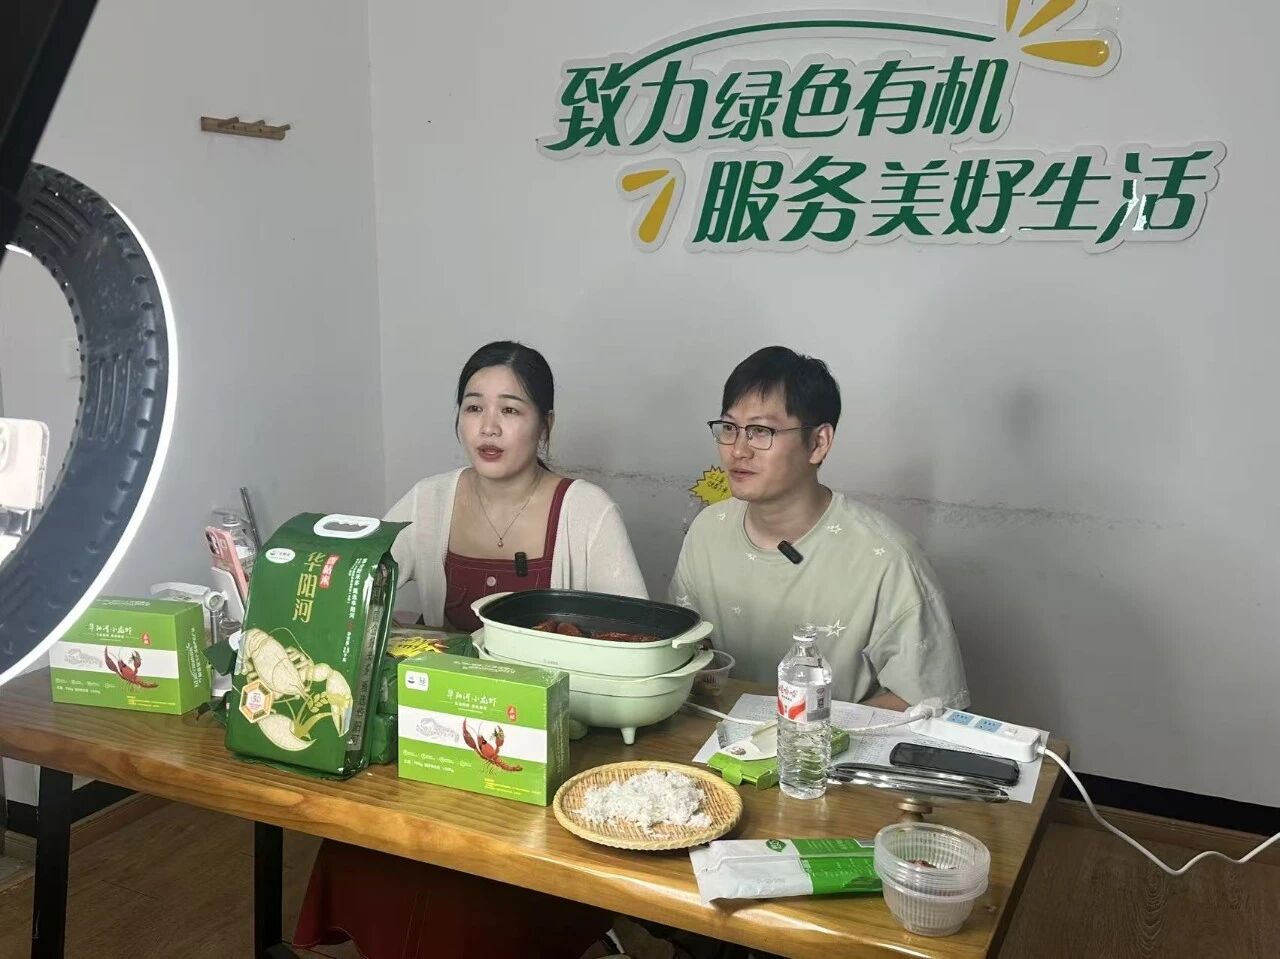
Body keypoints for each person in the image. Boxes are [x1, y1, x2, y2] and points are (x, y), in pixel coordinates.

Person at [294, 340, 647, 959]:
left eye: (511, 410)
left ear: (545, 425)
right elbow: (361, 580)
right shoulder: (429, 499)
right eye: (473, 407)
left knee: (468, 892)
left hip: (551, 745)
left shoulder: (586, 511)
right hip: (437, 730)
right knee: (370, 839)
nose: (488, 427)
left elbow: (635, 643)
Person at [669, 346, 968, 710]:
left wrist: (803, 731)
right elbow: (685, 652)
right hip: (715, 740)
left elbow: (929, 703)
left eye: (761, 431)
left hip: (826, 746)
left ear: (818, 443)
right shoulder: (707, 531)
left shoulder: (886, 559)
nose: (739, 450)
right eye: (730, 428)